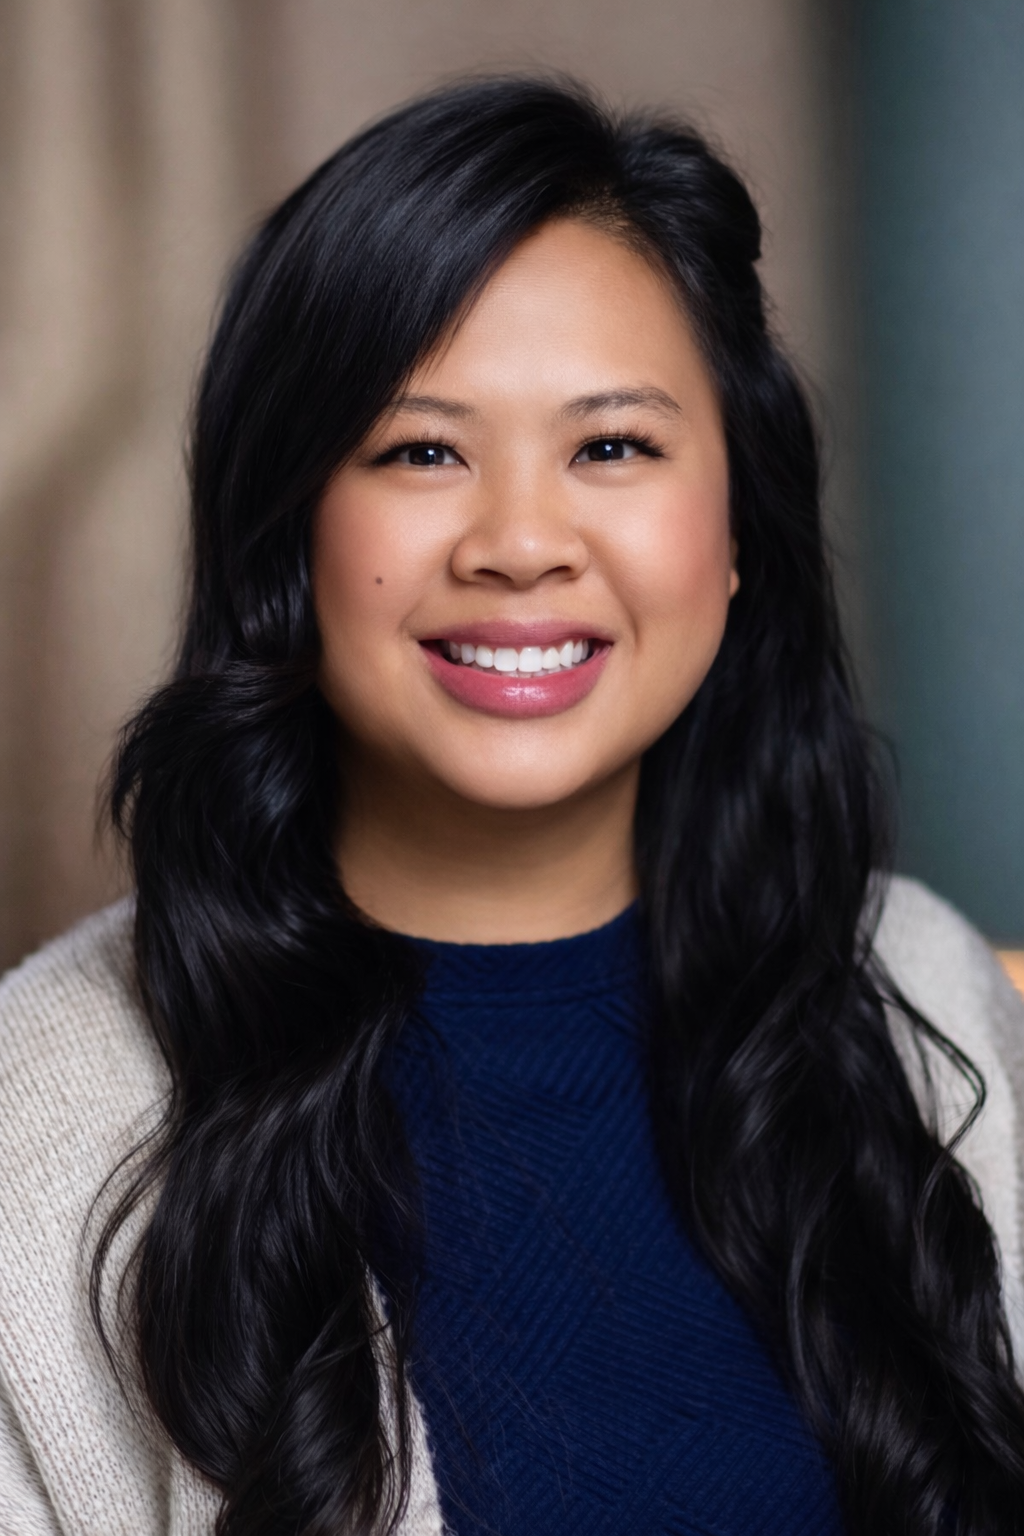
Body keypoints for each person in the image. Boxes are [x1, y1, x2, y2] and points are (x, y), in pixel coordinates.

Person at [1, 76, 1022, 1536]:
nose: (523, 543)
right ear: (285, 531)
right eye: (422, 450)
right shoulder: (39, 1124)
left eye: (613, 445)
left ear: (736, 533)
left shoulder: (925, 1001)